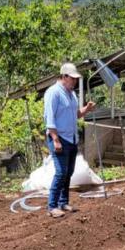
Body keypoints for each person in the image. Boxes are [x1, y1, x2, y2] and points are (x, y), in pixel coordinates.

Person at [43, 63, 96, 218]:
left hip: (71, 138)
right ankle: (52, 206)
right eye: (72, 79)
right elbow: (49, 118)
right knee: (60, 173)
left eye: (75, 79)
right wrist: (55, 139)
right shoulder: (53, 93)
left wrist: (86, 109)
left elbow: (75, 114)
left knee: (69, 173)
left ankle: (63, 202)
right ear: (64, 76)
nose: (74, 82)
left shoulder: (72, 94)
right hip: (59, 138)